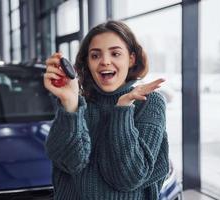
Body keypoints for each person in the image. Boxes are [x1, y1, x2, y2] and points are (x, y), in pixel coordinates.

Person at [44, 20, 169, 200]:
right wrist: (70, 104)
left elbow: (128, 178)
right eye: (95, 56)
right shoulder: (77, 104)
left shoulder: (149, 103)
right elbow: (68, 162)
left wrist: (123, 110)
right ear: (87, 62)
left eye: (115, 53)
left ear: (131, 58)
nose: (105, 61)